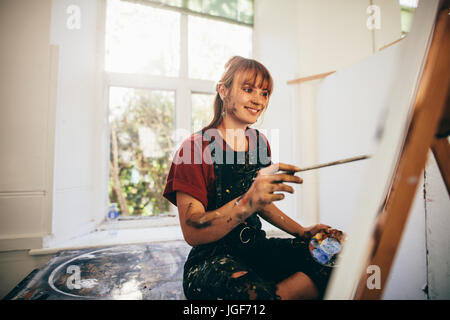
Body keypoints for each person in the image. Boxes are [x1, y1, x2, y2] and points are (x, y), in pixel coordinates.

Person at [163, 56, 337, 300]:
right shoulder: (194, 148)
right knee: (250, 294)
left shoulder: (258, 142)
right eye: (248, 89)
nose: (258, 100)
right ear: (223, 91)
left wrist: (302, 232)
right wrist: (247, 203)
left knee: (334, 255)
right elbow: (192, 232)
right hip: (212, 260)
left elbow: (261, 204)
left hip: (256, 247)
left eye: (265, 93)